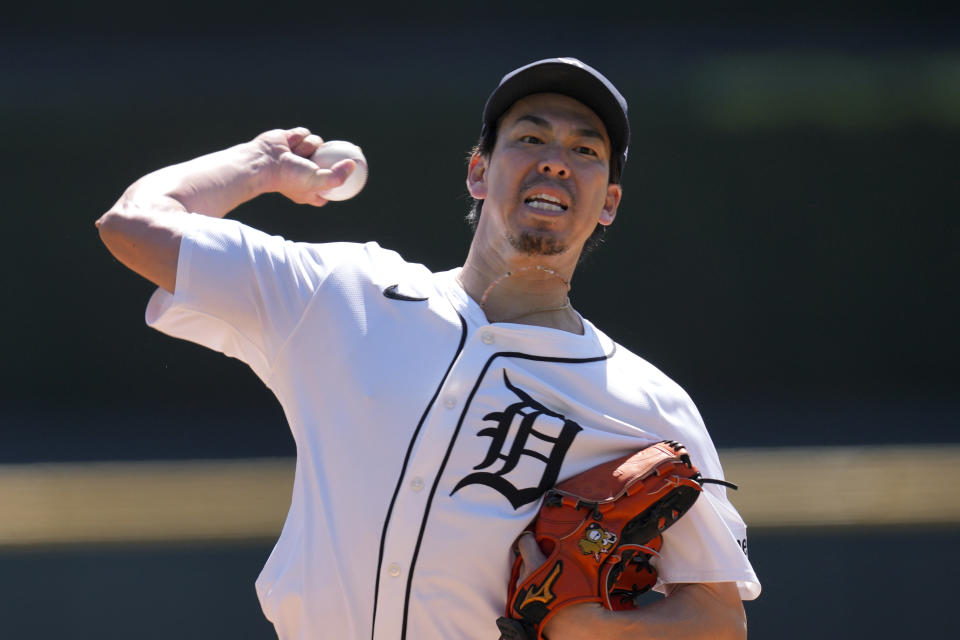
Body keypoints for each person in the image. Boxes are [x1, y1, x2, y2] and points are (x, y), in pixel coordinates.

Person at [97, 57, 760, 639]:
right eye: (529, 137)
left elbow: (717, 620)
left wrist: (589, 630)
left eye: (586, 150)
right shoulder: (344, 292)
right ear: (478, 171)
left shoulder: (646, 404)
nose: (556, 157)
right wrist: (260, 165)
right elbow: (134, 226)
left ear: (608, 202)